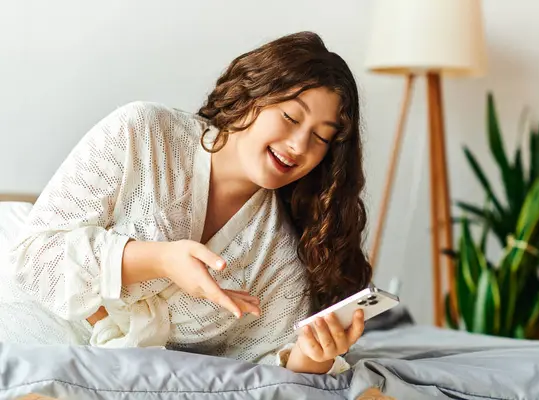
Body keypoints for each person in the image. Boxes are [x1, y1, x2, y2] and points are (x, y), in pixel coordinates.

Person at [3, 31, 372, 375]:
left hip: (131, 374)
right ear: (252, 95)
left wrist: (312, 357)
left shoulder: (277, 253)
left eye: (321, 138)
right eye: (290, 117)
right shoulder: (143, 133)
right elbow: (35, 259)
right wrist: (159, 259)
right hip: (30, 303)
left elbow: (265, 371)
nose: (298, 146)